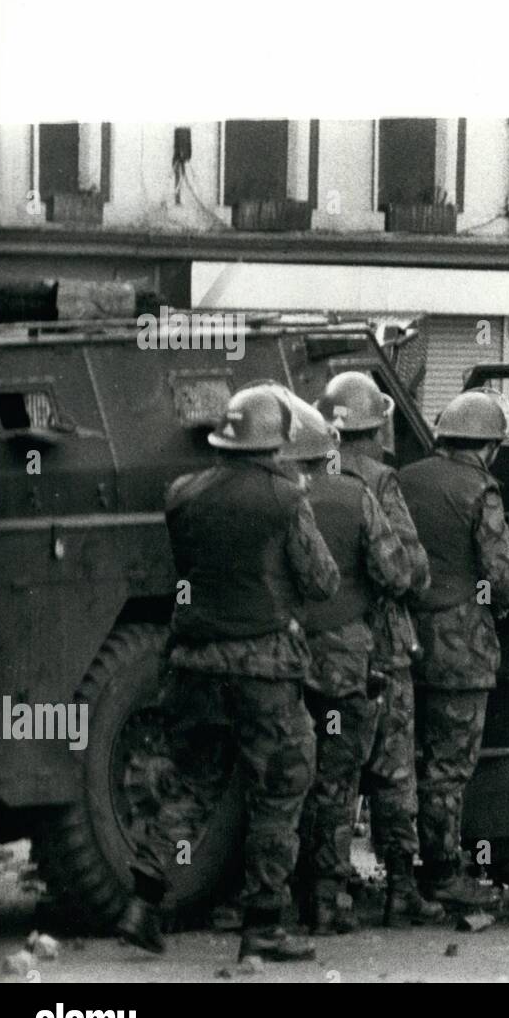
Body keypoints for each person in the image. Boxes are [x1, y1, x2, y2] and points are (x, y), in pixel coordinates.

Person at [117, 384, 340, 963]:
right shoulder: (287, 499)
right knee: (281, 786)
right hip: (263, 669)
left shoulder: (182, 495)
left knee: (188, 786)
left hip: (192, 665)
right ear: (277, 440)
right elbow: (321, 581)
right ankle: (262, 924)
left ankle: (143, 903)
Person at [277, 390, 419, 935]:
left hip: (286, 657)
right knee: (354, 774)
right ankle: (345, 895)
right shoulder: (360, 493)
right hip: (350, 657)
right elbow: (398, 573)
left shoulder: (276, 499)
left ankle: (290, 893)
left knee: (296, 778)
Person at [398, 390, 509, 908]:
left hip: (402, 645)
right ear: (491, 447)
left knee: (396, 767)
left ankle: (395, 880)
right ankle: (442, 874)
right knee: (447, 770)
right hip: (459, 650)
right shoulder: (483, 491)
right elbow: (503, 584)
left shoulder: (404, 479)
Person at [315, 371, 440, 928]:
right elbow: (410, 572)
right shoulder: (380, 480)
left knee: (331, 772)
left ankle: (324, 890)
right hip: (382, 649)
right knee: (393, 769)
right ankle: (400, 888)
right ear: (379, 422)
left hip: (322, 647)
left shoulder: (308, 474)